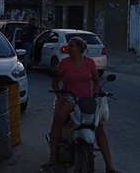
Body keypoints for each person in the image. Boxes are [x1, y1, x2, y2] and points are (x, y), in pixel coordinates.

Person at [41, 36, 118, 173]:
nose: (68, 48)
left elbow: (96, 81)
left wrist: (94, 95)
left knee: (99, 127)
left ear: (79, 49)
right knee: (58, 121)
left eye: (71, 46)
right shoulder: (64, 63)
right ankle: (53, 157)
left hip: (86, 100)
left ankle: (109, 166)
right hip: (69, 98)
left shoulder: (90, 63)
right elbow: (55, 81)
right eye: (69, 46)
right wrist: (59, 96)